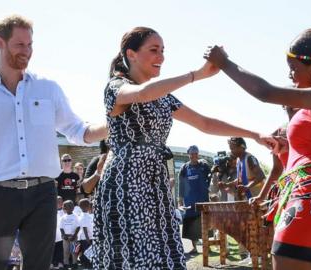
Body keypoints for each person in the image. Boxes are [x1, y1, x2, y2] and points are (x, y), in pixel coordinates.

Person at [88, 26, 276, 269]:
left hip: (155, 182)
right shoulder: (116, 86)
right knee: (130, 256)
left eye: (163, 51)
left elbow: (204, 122)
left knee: (162, 252)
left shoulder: (163, 96)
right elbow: (142, 93)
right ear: (131, 54)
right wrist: (195, 74)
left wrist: (255, 134)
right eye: (154, 50)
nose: (161, 57)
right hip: (126, 182)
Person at [205, 28, 311, 269]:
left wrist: (224, 63)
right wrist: (286, 148)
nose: (290, 74)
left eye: (294, 68)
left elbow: (265, 92)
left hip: (309, 207)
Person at [0, 15, 106, 270]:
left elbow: (77, 129)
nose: (27, 51)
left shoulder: (48, 89)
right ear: (0, 44)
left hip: (43, 194)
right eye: (20, 45)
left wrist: (113, 125)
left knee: (39, 265)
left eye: (30, 45)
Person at [178, 145, 211, 255]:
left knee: (205, 223)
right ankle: (194, 248)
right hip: (190, 200)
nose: (194, 155)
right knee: (191, 223)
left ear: (198, 154)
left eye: (195, 153)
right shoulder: (184, 168)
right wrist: (180, 199)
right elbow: (181, 184)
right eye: (192, 153)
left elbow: (211, 178)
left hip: (203, 199)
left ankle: (208, 247)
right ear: (188, 155)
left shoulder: (204, 166)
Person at [59, 200, 80, 270]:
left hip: (73, 236)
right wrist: (63, 235)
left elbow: (78, 226)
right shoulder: (63, 217)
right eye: (66, 207)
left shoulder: (75, 216)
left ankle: (75, 263)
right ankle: (66, 264)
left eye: (71, 206)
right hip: (65, 237)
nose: (69, 208)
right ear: (64, 208)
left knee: (74, 251)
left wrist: (74, 235)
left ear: (73, 208)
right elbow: (61, 227)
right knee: (66, 251)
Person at [77, 199, 93, 268]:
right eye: (89, 205)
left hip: (88, 237)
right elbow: (84, 228)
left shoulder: (86, 215)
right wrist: (87, 239)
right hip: (86, 238)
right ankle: (87, 264)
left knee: (87, 251)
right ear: (86, 206)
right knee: (87, 251)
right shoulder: (84, 216)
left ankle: (85, 261)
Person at [52, 196, 65, 270]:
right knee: (52, 250)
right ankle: (51, 263)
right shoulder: (51, 210)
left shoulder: (65, 211)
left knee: (60, 249)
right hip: (52, 235)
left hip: (61, 236)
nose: (59, 203)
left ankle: (60, 263)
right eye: (57, 201)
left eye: (60, 201)